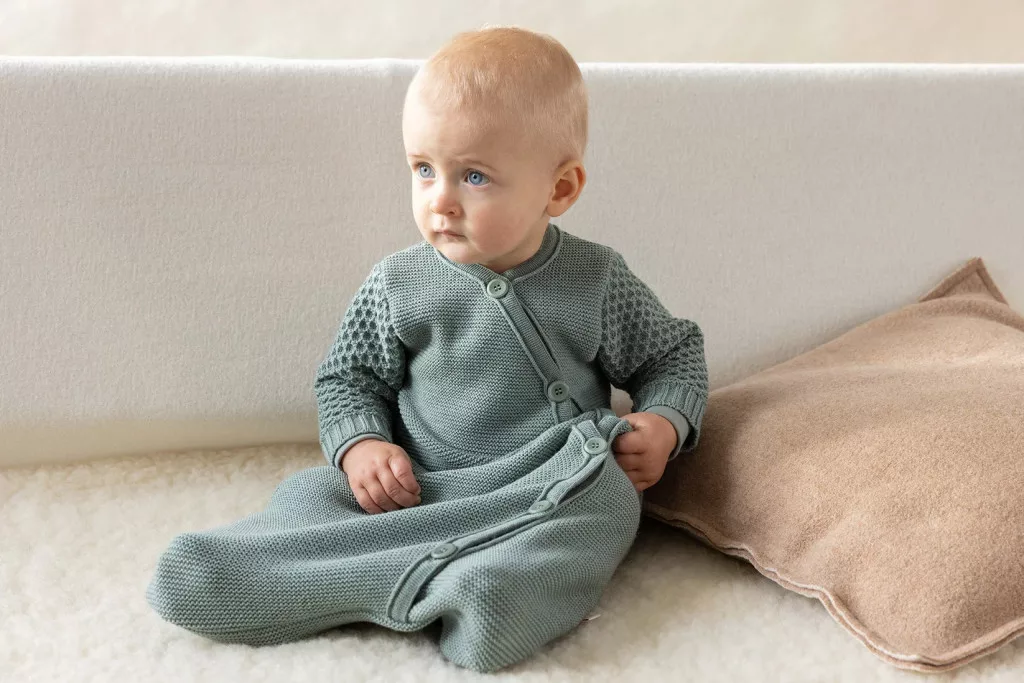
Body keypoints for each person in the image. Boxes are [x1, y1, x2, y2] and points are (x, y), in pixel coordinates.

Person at [146, 25, 709, 673]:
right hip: (418, 486)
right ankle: (256, 570)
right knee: (314, 495)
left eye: (474, 176)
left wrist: (664, 424)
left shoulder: (595, 279)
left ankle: (489, 592)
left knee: (604, 502)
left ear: (559, 189)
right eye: (423, 169)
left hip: (552, 483)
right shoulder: (399, 283)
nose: (440, 200)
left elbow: (673, 356)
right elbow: (348, 379)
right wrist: (363, 447)